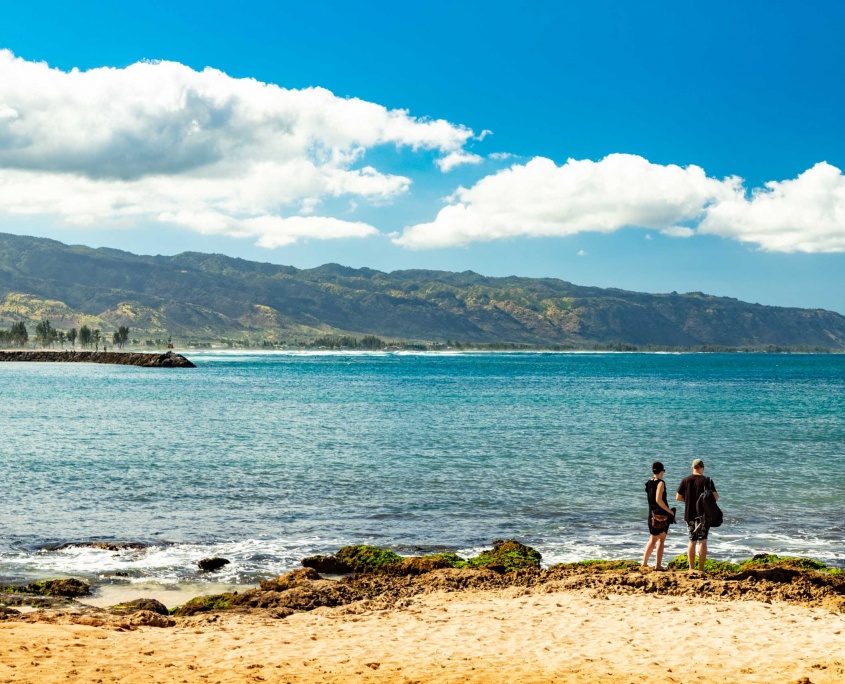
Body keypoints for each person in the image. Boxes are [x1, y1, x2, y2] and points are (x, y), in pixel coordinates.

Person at [676, 458, 719, 573]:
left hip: (689, 514)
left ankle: (691, 568)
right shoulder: (707, 481)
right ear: (702, 468)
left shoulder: (685, 480)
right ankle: (701, 569)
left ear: (692, 468)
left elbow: (678, 497)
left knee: (692, 541)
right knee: (703, 541)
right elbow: (716, 497)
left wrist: (689, 501)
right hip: (703, 515)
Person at [642, 461, 675, 570]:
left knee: (652, 539)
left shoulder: (648, 483)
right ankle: (658, 565)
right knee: (661, 540)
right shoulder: (661, 483)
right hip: (661, 515)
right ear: (661, 471)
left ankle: (644, 563)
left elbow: (651, 499)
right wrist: (669, 511)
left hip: (651, 514)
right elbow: (658, 500)